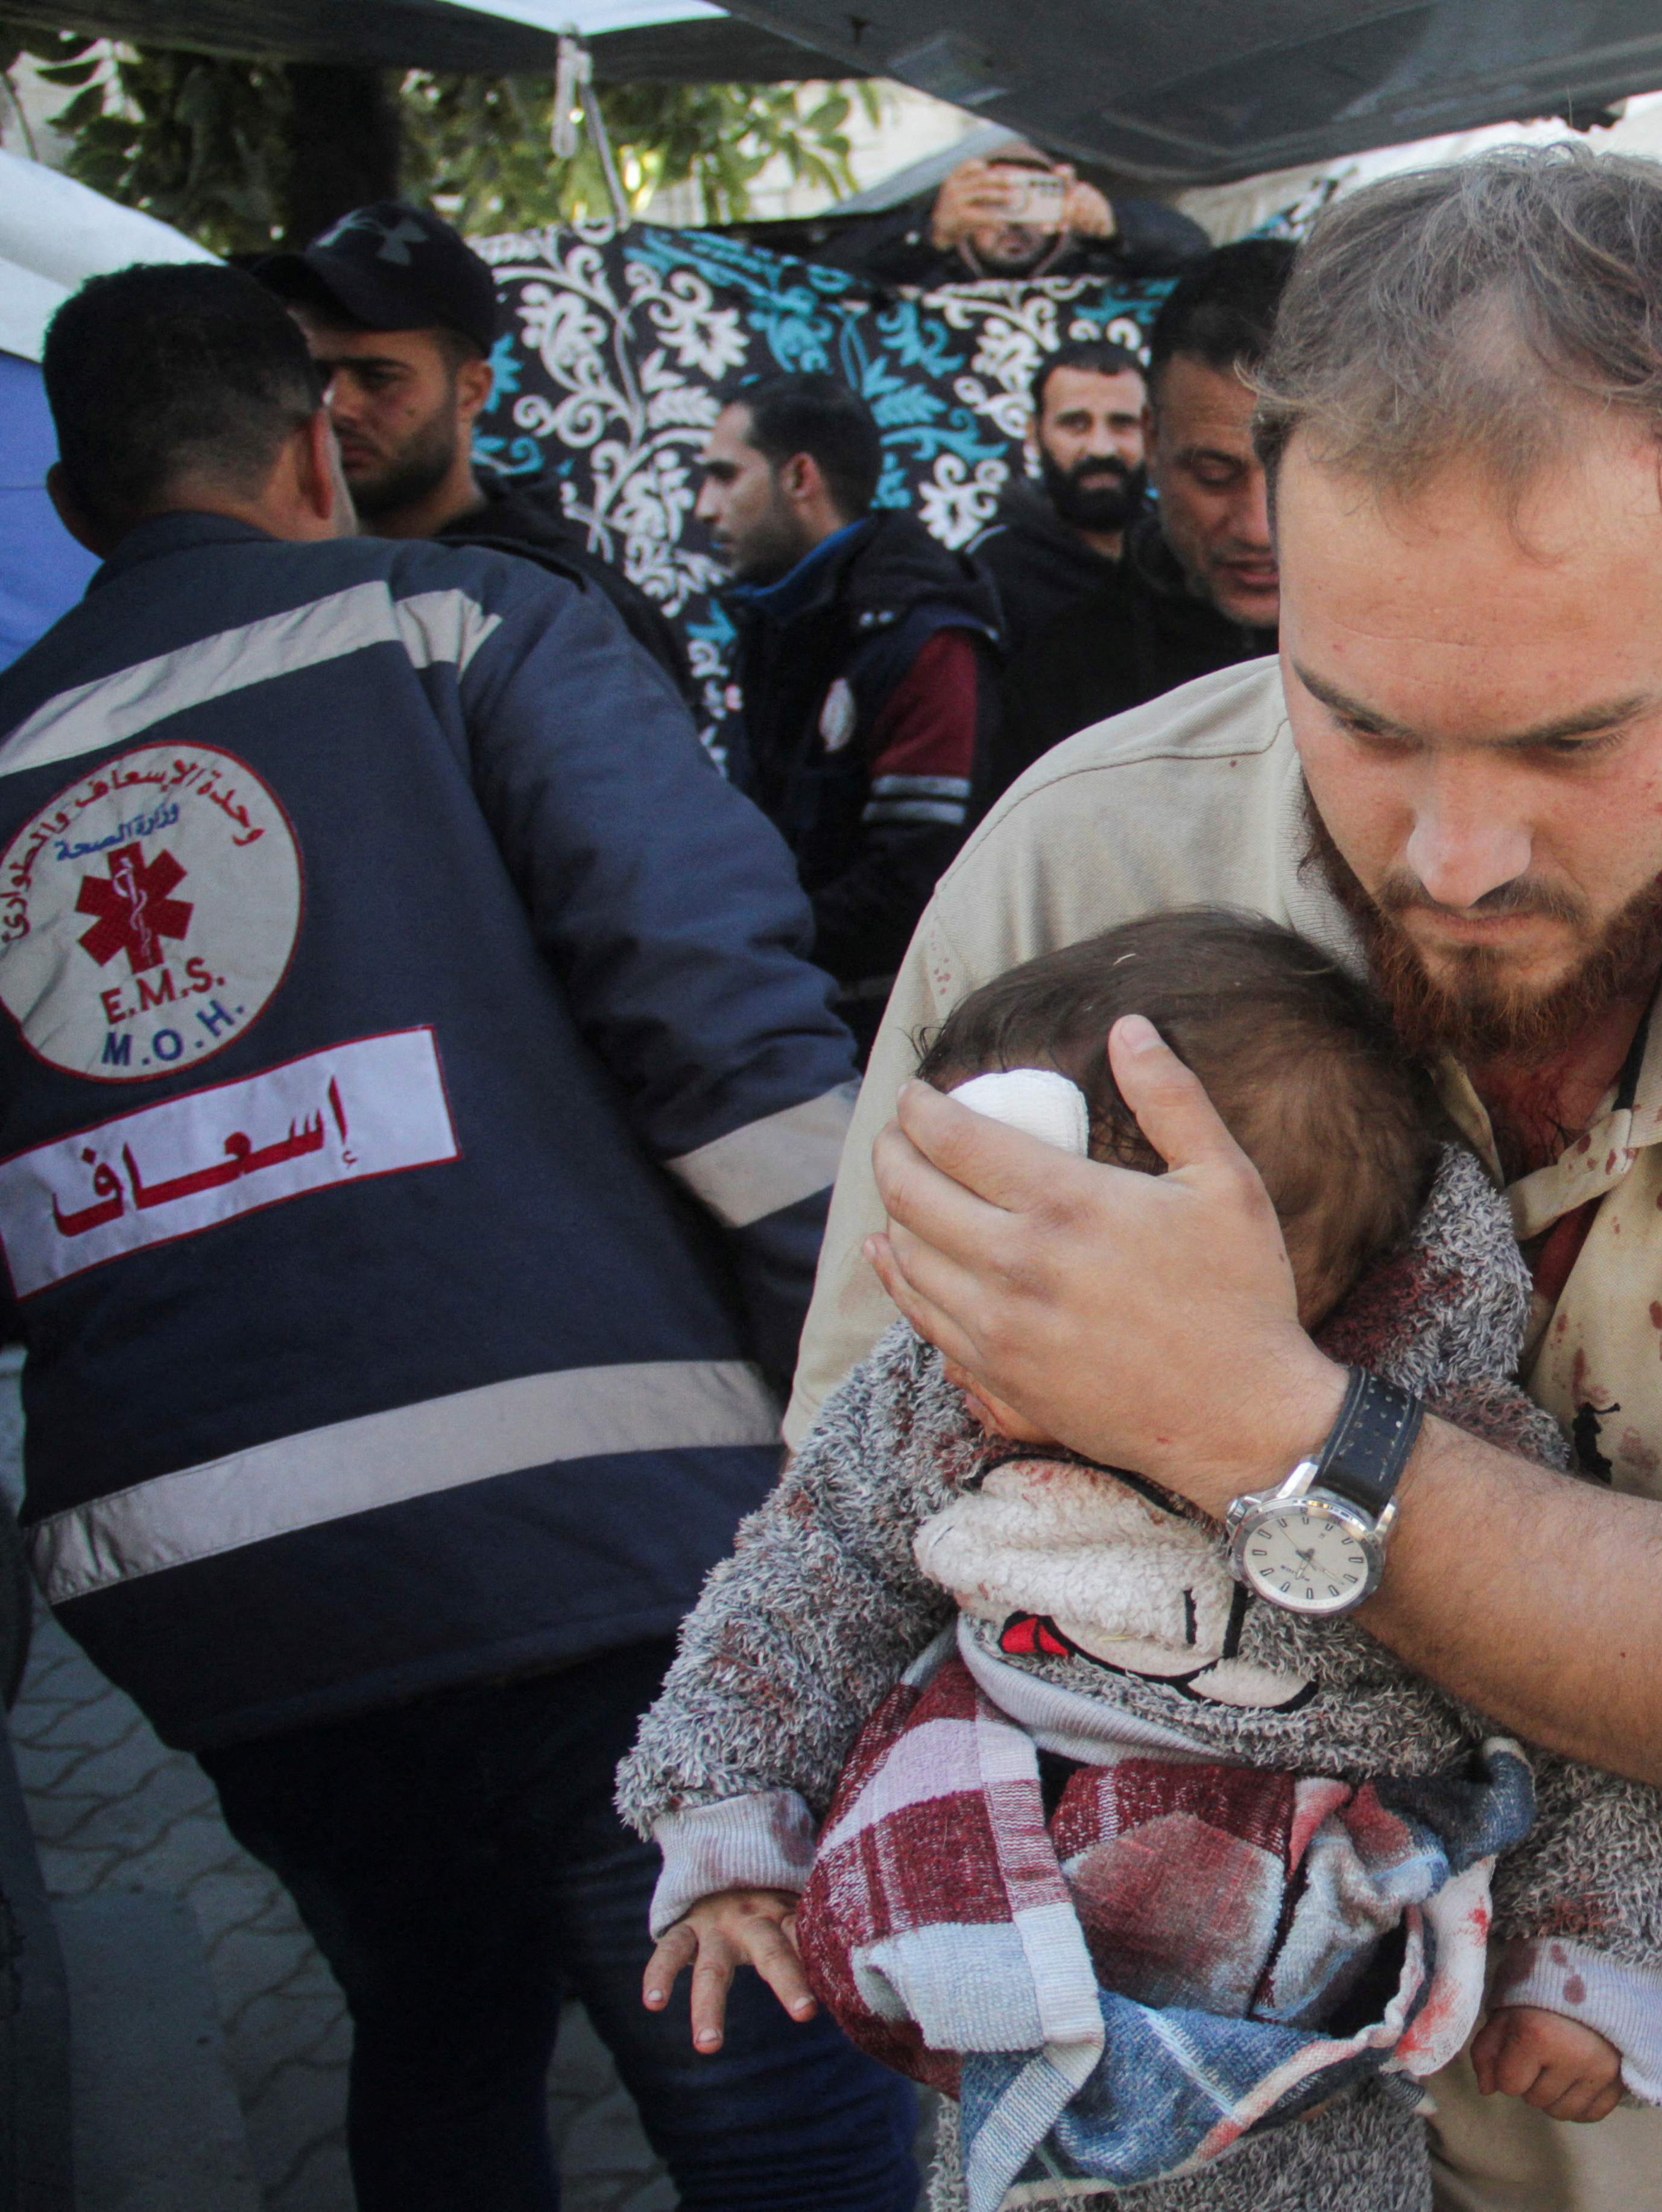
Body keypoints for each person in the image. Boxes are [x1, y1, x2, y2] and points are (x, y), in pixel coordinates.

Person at [794, 143, 1662, 2212]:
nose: (1449, 855)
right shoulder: (1083, 869)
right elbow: (866, 1494)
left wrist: (1266, 1427)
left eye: (1567, 742)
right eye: (1357, 720)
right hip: (1207, 2145)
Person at [2, 264, 911, 2210]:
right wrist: (877, 1431)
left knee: (436, 2025)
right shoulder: (461, 627)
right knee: (773, 2109)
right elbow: (733, 1054)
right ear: (317, 449)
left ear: (77, 508)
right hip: (591, 1556)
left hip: (210, 1597)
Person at [625, 908, 1662, 2205]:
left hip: (1282, 1986)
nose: (990, 1323)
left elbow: (1578, 1700)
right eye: (962, 1251)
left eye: (1052, 1277)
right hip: (988, 1924)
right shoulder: (926, 1406)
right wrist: (731, 1825)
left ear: (1312, 1285)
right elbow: (802, 1589)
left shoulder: (1437, 1459)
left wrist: (1591, 1960)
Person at [256, 199, 694, 696]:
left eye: (378, 378)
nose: (337, 406)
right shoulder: (277, 588)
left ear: (471, 391)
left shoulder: (570, 610)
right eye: (316, 375)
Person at [700, 370, 1002, 1057]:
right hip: (795, 1003)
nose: (704, 506)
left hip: (888, 1035)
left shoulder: (923, 637)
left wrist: (748, 936)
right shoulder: (777, 617)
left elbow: (913, 880)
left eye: (724, 476)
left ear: (799, 476)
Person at [994, 240, 1292, 790]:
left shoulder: (1430, 651)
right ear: (1153, 440)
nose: (1257, 528)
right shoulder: (1059, 681)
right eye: (1214, 474)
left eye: (1293, 477)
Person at [972, 337, 1149, 661]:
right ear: (1034, 434)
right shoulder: (991, 574)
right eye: (1076, 424)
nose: (1101, 448)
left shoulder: (1181, 556)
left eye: (1123, 424)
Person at [822, 141, 1209, 288]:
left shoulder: (1095, 263)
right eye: (994, 201)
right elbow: (816, 282)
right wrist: (929, 234)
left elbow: (1197, 254)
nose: (1013, 222)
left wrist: (1115, 229)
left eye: (1031, 200)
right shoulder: (924, 269)